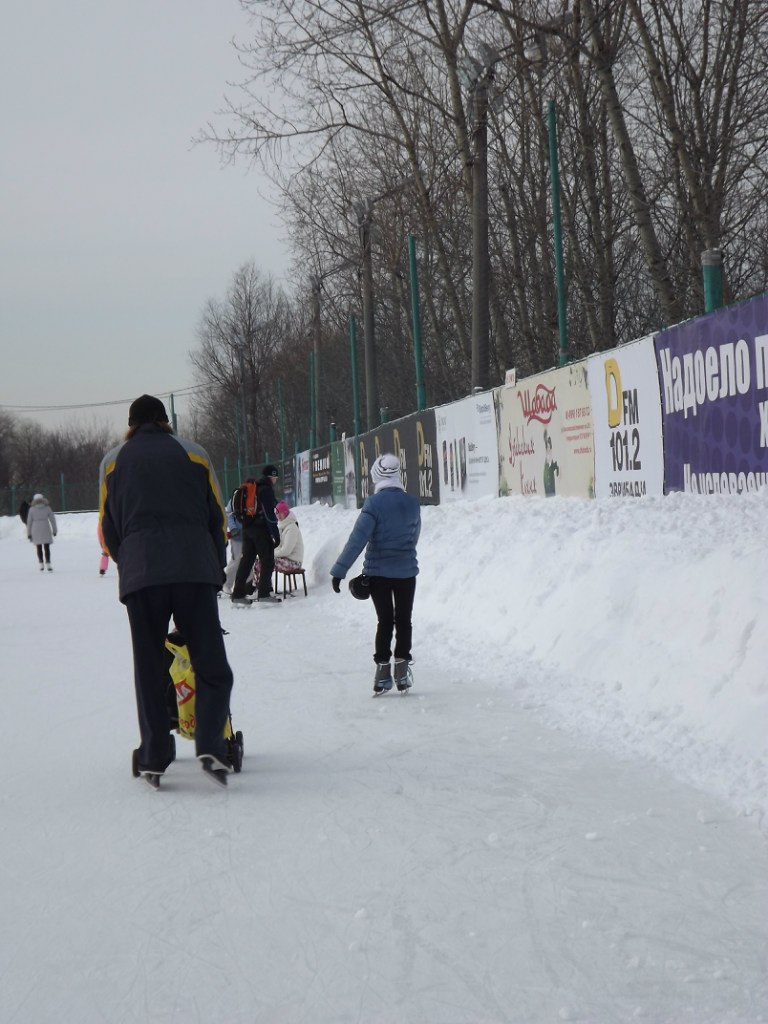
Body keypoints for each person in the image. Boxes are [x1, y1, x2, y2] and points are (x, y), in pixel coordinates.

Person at [98, 393, 234, 788]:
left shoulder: (112, 462)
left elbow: (108, 528)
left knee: (149, 669)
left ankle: (154, 756)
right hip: (194, 570)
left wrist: (130, 561)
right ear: (164, 421)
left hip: (142, 576)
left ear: (131, 424)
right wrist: (215, 565)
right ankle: (211, 743)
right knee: (211, 665)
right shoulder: (195, 453)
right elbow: (217, 518)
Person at [330, 452, 420, 694]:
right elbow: (414, 537)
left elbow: (357, 540)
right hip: (406, 573)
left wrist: (340, 570)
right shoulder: (412, 503)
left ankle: (382, 674)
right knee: (404, 620)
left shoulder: (374, 504)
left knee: (385, 621)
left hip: (379, 574)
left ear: (377, 476)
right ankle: (402, 671)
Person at [230, 464, 281, 606]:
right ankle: (264, 594)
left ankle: (238, 594)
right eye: (275, 477)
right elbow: (269, 515)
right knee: (267, 560)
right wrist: (275, 534)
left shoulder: (254, 488)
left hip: (247, 528)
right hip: (260, 530)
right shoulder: (266, 490)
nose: (276, 480)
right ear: (272, 476)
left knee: (246, 561)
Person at [26, 493, 57, 571]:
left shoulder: (32, 509)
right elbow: (52, 520)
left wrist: (29, 533)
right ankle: (48, 564)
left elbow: (29, 522)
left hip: (35, 528)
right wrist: (54, 530)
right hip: (45, 527)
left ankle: (41, 564)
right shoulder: (47, 508)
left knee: (38, 547)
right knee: (47, 547)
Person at [274, 500, 304, 574]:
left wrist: (271, 555)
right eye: (277, 513)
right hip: (285, 559)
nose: (278, 516)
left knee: (265, 562)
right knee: (261, 561)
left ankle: (263, 582)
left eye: (281, 513)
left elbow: (286, 550)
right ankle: (261, 581)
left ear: (286, 513)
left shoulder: (292, 528)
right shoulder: (281, 527)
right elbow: (278, 546)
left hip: (294, 562)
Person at [222, 495, 243, 595]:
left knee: (248, 561)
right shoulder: (236, 497)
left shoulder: (254, 495)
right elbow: (229, 514)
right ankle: (226, 584)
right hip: (237, 536)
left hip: (249, 535)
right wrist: (233, 528)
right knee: (236, 560)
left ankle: (249, 585)